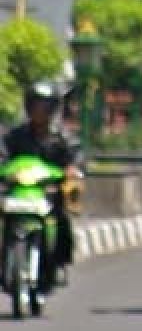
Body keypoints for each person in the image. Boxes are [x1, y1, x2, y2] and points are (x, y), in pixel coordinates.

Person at [1, 80, 81, 290]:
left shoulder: (63, 138)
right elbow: (3, 156)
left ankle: (60, 262)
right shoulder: (15, 136)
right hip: (19, 193)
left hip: (48, 192)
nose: (39, 111)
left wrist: (71, 169)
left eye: (45, 106)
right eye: (35, 105)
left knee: (62, 220)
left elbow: (76, 157)